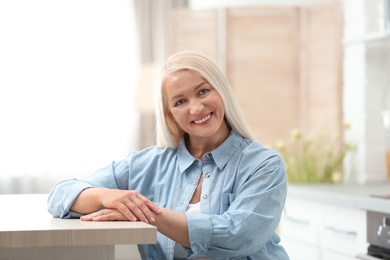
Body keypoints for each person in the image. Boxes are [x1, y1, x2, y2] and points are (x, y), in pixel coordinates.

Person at [47, 50, 289, 259]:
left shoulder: (264, 164)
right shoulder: (147, 164)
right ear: (170, 113)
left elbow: (239, 235)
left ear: (221, 91)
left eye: (203, 91)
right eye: (180, 101)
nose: (196, 108)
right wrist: (109, 196)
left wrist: (146, 214)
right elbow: (60, 196)